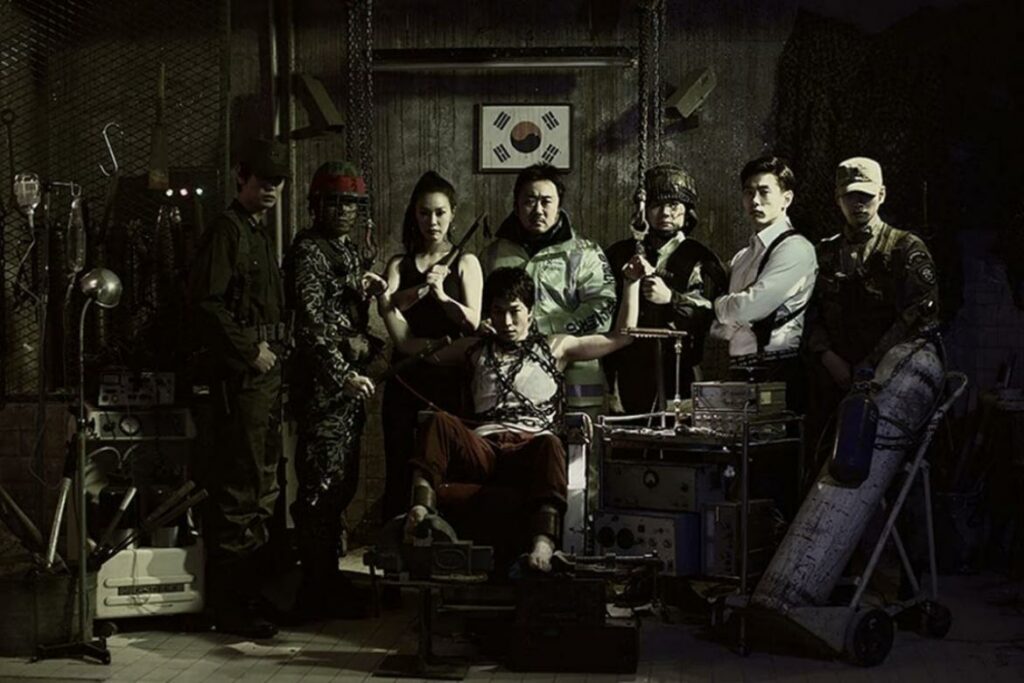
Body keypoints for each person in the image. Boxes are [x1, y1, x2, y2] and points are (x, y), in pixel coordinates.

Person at [376, 264, 643, 572]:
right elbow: (407, 344)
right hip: (484, 448)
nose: (506, 321)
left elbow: (621, 337)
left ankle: (543, 542)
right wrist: (383, 300)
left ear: (530, 311)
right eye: (498, 312)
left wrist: (631, 282)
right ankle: (421, 510)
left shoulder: (556, 347)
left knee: (550, 444)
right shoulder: (474, 349)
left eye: (514, 311)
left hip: (528, 449)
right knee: (438, 421)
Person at [188, 138, 289, 638]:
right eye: (262, 180)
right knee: (240, 488)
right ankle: (230, 606)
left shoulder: (256, 232)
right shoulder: (227, 231)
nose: (270, 189)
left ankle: (249, 595)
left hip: (265, 377)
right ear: (240, 178)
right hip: (243, 377)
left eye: (277, 182)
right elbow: (206, 304)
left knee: (262, 484)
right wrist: (250, 351)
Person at [283, 161, 385, 619]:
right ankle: (315, 589)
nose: (344, 211)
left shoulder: (343, 249)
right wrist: (342, 371)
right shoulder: (308, 250)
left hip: (347, 393)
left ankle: (327, 581)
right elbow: (311, 327)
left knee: (340, 485)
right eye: (335, 202)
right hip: (325, 391)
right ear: (316, 205)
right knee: (320, 487)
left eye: (352, 203)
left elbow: (340, 307)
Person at [804, 157, 940, 467]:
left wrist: (871, 366)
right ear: (838, 198)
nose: (858, 204)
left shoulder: (905, 249)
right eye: (850, 195)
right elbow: (808, 311)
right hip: (836, 379)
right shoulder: (824, 253)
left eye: (865, 195)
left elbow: (920, 316)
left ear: (881, 194)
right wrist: (827, 355)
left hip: (891, 380)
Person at [379, 172, 482, 524]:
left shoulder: (466, 262)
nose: (432, 221)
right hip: (405, 379)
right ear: (414, 214)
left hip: (451, 383)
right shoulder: (398, 264)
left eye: (440, 212)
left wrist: (442, 296)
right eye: (424, 213)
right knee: (400, 462)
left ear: (453, 213)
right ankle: (397, 541)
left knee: (445, 466)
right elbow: (395, 323)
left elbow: (473, 324)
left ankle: (443, 541)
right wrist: (400, 297)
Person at [480, 163, 616, 414]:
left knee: (580, 439)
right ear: (516, 205)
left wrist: (544, 328)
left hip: (578, 386)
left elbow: (602, 309)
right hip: (513, 386)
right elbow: (481, 307)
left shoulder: (585, 253)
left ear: (559, 205)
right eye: (530, 201)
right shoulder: (492, 254)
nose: (538, 210)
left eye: (546, 201)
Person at [604, 164, 727, 413]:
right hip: (627, 368)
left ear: (687, 210)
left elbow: (714, 316)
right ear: (643, 209)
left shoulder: (701, 258)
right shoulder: (618, 254)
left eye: (674, 205)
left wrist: (671, 298)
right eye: (656, 205)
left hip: (679, 368)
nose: (665, 213)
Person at [711, 155, 817, 410]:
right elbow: (720, 329)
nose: (755, 201)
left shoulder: (796, 249)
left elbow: (747, 309)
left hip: (778, 370)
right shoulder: (743, 257)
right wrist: (730, 312)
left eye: (764, 192)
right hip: (740, 371)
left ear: (786, 199)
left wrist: (720, 305)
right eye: (748, 192)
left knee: (772, 435)